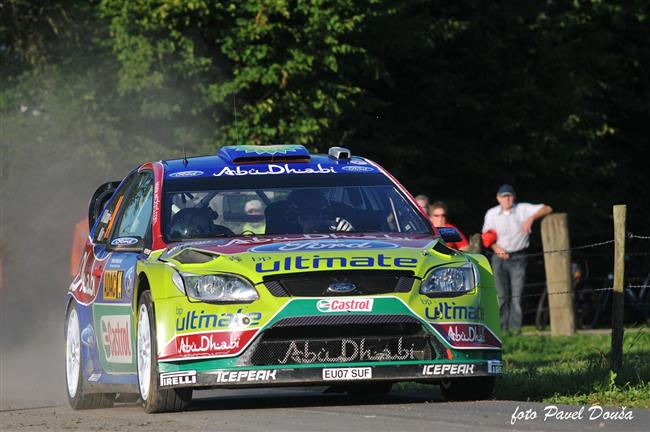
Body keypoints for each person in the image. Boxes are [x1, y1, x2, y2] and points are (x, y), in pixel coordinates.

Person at [482, 184, 553, 334]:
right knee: (500, 296)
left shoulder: (523, 209)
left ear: (513, 197)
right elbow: (486, 236)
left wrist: (531, 218)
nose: (507, 199)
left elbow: (547, 208)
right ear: (498, 198)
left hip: (518, 256)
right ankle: (500, 331)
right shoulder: (491, 213)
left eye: (509, 195)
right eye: (503, 196)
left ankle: (515, 332)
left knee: (516, 296)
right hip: (498, 256)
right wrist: (496, 249)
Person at [286, 189, 354, 233]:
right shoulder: (281, 232)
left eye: (315, 216)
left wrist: (346, 230)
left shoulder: (337, 226)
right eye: (305, 218)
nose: (311, 222)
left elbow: (355, 239)